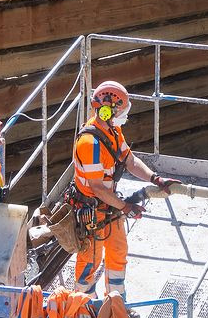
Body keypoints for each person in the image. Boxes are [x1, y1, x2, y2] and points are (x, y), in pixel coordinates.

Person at [69, 80, 177, 297]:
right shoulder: (90, 143)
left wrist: (156, 179)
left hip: (109, 205)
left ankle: (116, 302)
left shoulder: (113, 132)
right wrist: (126, 207)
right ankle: (83, 307)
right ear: (107, 110)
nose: (124, 114)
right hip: (92, 210)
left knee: (118, 252)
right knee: (90, 260)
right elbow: (97, 188)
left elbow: (130, 161)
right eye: (122, 109)